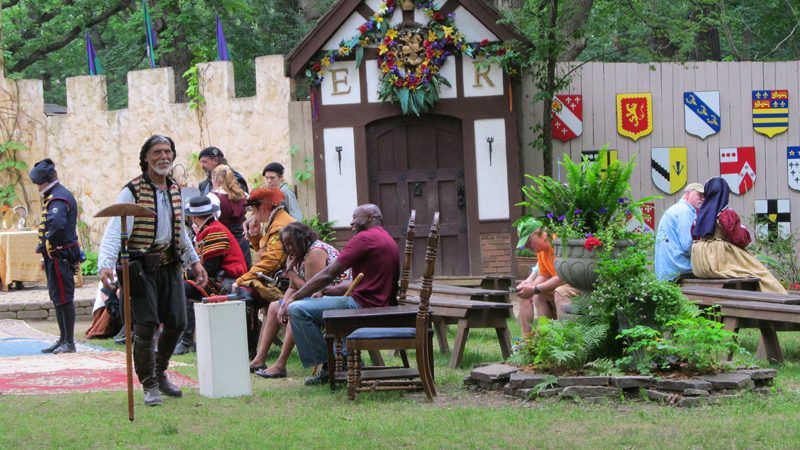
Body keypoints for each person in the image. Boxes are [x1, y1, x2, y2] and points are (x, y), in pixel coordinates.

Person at [97, 134, 209, 407]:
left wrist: (194, 261)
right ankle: (149, 386)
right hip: (140, 268)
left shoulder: (174, 188)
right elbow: (115, 230)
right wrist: (105, 264)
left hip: (170, 265)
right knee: (145, 328)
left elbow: (180, 230)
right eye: (157, 152)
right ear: (146, 158)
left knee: (177, 323)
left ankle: (160, 373)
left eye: (168, 152)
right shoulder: (132, 191)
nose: (164, 157)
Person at [279, 204, 399, 386]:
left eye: (355, 217)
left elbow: (328, 274)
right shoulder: (385, 237)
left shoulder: (364, 239)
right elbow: (360, 281)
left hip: (364, 307)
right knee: (316, 303)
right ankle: (341, 359)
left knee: (297, 309)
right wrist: (325, 291)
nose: (351, 222)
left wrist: (293, 299)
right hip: (379, 304)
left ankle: (332, 365)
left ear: (369, 217)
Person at [250, 222, 352, 377]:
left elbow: (310, 290)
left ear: (302, 239)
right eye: (286, 245)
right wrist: (284, 303)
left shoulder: (315, 252)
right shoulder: (298, 254)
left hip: (334, 297)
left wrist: (290, 270)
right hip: (313, 297)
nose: (289, 248)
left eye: (292, 243)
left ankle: (280, 364)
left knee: (295, 310)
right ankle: (259, 359)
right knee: (273, 307)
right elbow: (293, 287)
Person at [174, 195, 248, 355]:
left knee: (181, 287)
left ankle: (186, 340)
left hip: (224, 282)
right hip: (217, 278)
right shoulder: (210, 228)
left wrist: (182, 275)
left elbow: (209, 268)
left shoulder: (214, 230)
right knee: (179, 285)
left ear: (193, 216)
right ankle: (185, 339)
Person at [691, 177, 787, 294]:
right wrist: (743, 230)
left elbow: (695, 236)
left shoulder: (699, 215)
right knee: (760, 272)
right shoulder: (725, 214)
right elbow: (740, 240)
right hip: (720, 259)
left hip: (701, 262)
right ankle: (779, 298)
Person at [233, 187, 295, 358]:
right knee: (244, 291)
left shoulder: (279, 225)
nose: (252, 213)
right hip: (281, 279)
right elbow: (268, 254)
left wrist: (241, 280)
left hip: (288, 283)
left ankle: (251, 350)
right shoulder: (277, 221)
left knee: (244, 294)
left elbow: (271, 262)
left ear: (262, 207)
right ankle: (253, 349)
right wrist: (255, 236)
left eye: (252, 209)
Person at [30, 159, 83, 354]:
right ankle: (63, 340)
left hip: (61, 254)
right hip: (54, 254)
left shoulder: (58, 198)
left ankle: (69, 342)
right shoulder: (54, 195)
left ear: (43, 182)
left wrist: (50, 249)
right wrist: (45, 255)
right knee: (57, 297)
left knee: (64, 297)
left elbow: (57, 226)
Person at [515, 218, 578, 333]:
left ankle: (564, 339)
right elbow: (545, 275)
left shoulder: (557, 244)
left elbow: (562, 278)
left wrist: (534, 288)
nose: (527, 247)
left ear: (540, 234)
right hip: (561, 284)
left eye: (528, 242)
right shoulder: (541, 251)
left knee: (557, 292)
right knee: (535, 294)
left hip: (572, 285)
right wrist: (529, 286)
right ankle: (535, 339)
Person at [655, 183, 705, 281]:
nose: (703, 199)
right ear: (688, 194)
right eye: (700, 195)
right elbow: (688, 244)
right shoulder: (684, 211)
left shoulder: (677, 209)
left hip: (668, 270)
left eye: (704, 196)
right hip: (679, 271)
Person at [207, 164, 251, 268]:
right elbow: (260, 207)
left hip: (224, 241)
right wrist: (246, 222)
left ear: (216, 179)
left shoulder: (213, 196)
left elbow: (213, 218)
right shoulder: (242, 194)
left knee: (227, 274)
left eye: (212, 178)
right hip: (241, 239)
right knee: (245, 275)